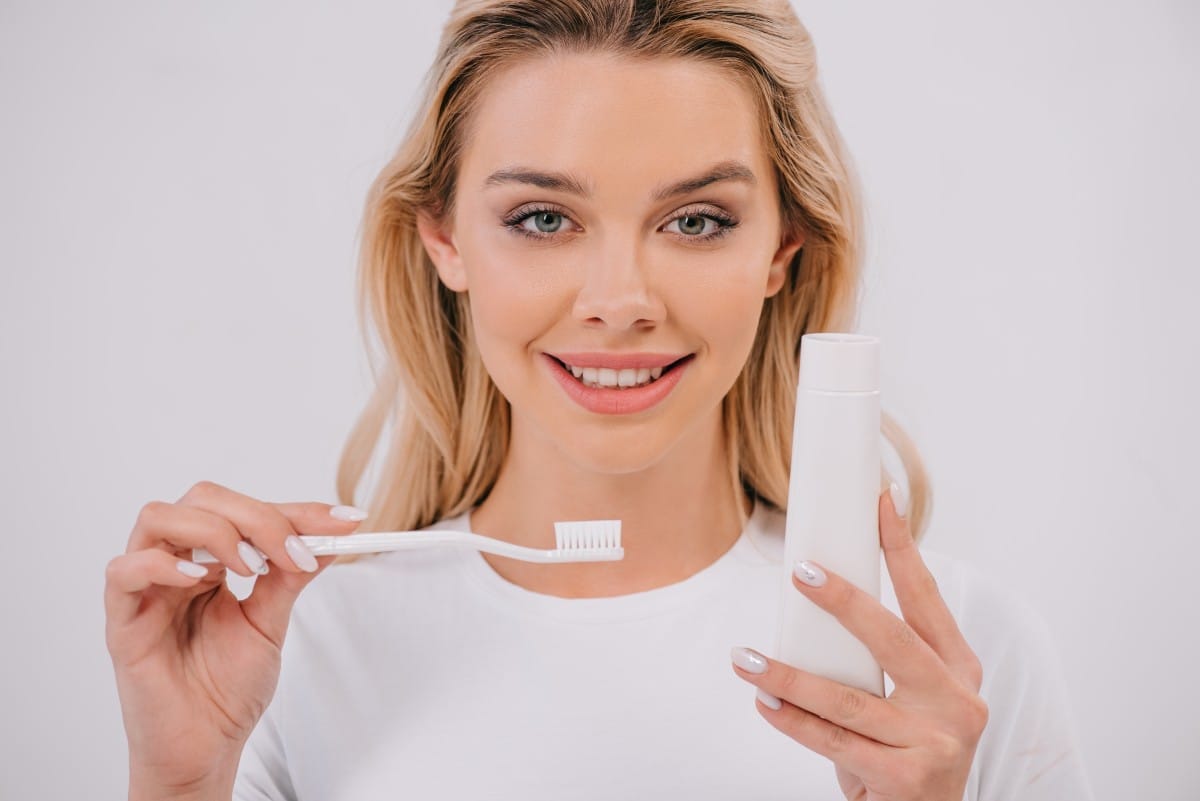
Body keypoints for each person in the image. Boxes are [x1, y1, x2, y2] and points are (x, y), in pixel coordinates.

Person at [104, 1, 1094, 799]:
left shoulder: (954, 668)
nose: (621, 302)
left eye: (697, 220)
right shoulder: (287, 657)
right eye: (542, 218)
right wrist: (181, 783)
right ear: (444, 239)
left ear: (782, 249)